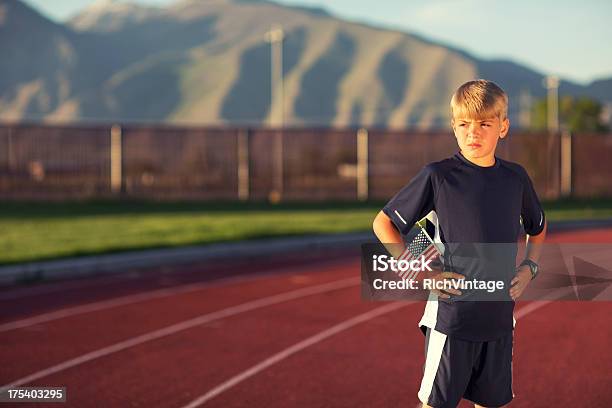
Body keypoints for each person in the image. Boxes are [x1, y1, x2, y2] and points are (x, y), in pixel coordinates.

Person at [372, 79, 547, 408]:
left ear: (503, 127)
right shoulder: (438, 176)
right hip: (452, 319)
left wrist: (530, 267)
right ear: (454, 127)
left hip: (498, 318)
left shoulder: (515, 178)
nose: (473, 133)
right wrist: (422, 273)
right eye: (464, 124)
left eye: (484, 124)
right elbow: (384, 224)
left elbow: (537, 226)